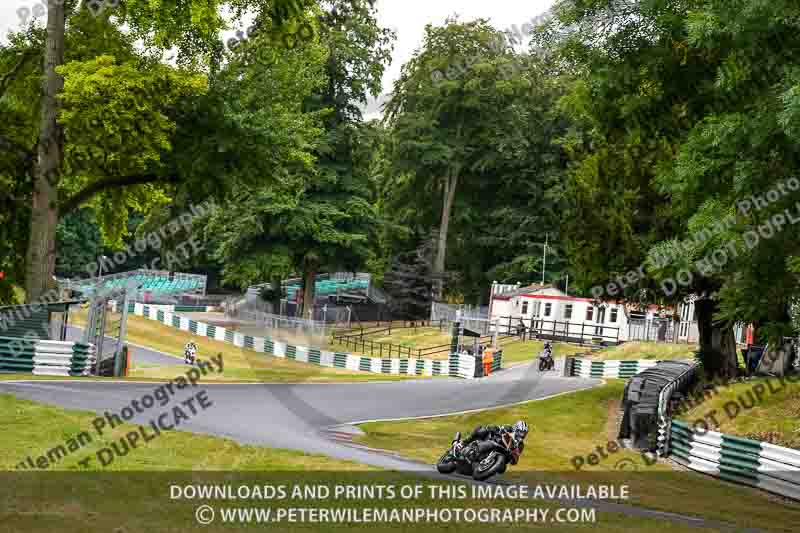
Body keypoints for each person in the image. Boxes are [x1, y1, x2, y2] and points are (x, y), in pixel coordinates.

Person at [455, 420, 528, 459]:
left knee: (502, 468)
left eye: (524, 433)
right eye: (520, 432)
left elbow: (515, 459)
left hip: (502, 454)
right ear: (516, 428)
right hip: (493, 441)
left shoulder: (520, 445)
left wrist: (513, 456)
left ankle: (487, 465)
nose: (522, 435)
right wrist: (493, 429)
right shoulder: (509, 428)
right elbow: (498, 428)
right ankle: (463, 443)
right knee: (481, 430)